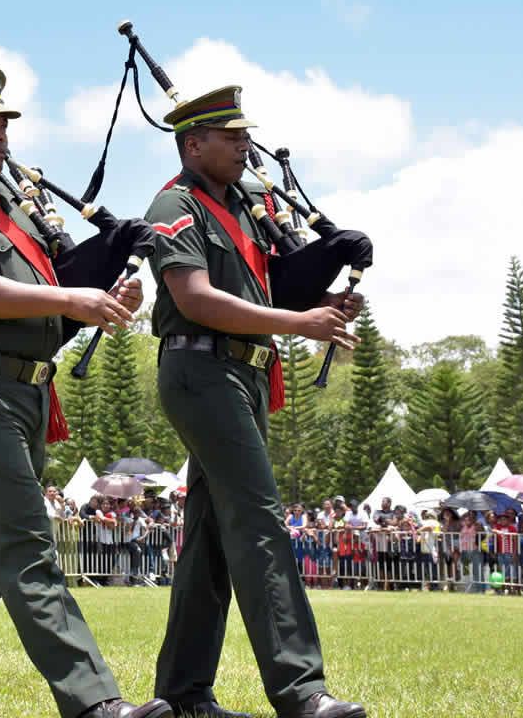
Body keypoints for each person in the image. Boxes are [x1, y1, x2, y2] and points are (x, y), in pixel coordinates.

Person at [0, 64, 166, 718]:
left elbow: (48, 313)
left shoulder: (22, 210)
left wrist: (101, 300)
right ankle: (93, 699)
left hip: (27, 392)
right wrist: (69, 294)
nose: (2, 134)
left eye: (5, 122)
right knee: (26, 546)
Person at [145, 86, 366, 718]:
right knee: (260, 519)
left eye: (246, 134)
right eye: (231, 136)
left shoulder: (243, 205)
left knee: (213, 537)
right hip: (199, 368)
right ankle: (301, 691)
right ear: (193, 143)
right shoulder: (175, 203)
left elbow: (269, 288)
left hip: (240, 373)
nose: (246, 145)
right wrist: (299, 326)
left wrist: (317, 304)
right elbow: (194, 298)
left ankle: (184, 694)